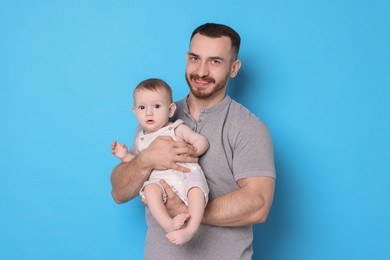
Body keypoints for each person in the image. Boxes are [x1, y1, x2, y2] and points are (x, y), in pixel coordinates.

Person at [111, 23, 276, 259]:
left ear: (234, 68)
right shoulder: (156, 116)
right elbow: (119, 192)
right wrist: (145, 160)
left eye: (215, 61)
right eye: (195, 58)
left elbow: (258, 205)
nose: (201, 71)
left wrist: (184, 209)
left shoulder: (249, 128)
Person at [112, 78, 210, 245]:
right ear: (135, 111)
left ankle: (191, 229)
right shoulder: (141, 139)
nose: (149, 113)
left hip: (185, 172)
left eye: (156, 106)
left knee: (196, 190)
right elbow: (138, 163)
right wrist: (124, 156)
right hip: (160, 179)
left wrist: (193, 150)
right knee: (150, 190)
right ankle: (168, 224)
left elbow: (201, 141)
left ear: (171, 110)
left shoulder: (176, 128)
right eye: (142, 108)